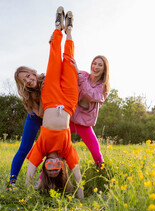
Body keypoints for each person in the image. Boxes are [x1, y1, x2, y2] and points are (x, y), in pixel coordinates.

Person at [25, 7, 84, 199]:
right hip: (68, 102)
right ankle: (69, 32)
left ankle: (58, 28)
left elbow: (30, 169)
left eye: (49, 167)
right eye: (56, 167)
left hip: (50, 99)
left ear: (45, 164)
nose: (53, 164)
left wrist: (27, 190)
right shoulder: (66, 149)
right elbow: (76, 172)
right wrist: (80, 194)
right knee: (68, 62)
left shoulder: (42, 146)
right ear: (62, 164)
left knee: (53, 60)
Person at [70, 55, 110, 168]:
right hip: (70, 119)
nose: (96, 67)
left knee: (97, 154)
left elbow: (91, 94)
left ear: (104, 69)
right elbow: (66, 73)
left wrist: (78, 74)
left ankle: (102, 177)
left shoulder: (103, 87)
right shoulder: (83, 75)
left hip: (85, 123)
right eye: (94, 63)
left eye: (100, 65)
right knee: (57, 146)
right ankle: (42, 179)